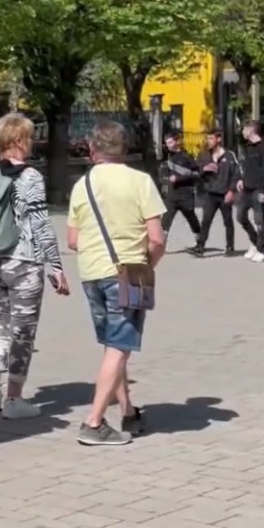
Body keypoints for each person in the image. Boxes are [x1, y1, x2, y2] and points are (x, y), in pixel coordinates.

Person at [66, 120, 163, 446]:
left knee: (112, 346)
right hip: (129, 270)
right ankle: (93, 422)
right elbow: (157, 239)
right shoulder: (140, 181)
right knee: (120, 347)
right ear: (124, 148)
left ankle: (128, 411)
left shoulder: (82, 185)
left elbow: (73, 240)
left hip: (91, 272)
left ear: (92, 149)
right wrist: (146, 265)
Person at [0, 113, 68, 420]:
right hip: (22, 262)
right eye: (29, 137)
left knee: (3, 321)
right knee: (23, 331)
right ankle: (14, 397)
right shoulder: (30, 177)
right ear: (17, 141)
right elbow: (41, 224)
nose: (32, 142)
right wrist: (56, 266)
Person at [193, 129, 237, 257]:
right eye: (207, 139)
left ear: (218, 139)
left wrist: (231, 191)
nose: (208, 141)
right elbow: (196, 169)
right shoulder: (204, 155)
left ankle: (230, 246)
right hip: (210, 193)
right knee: (206, 220)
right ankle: (200, 246)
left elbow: (236, 174)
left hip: (225, 194)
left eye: (211, 138)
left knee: (228, 221)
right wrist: (204, 169)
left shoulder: (229, 155)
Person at [158, 132, 202, 247]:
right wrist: (165, 178)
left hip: (185, 194)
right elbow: (165, 174)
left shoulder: (186, 156)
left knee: (191, 217)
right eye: (167, 143)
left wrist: (179, 178)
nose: (168, 145)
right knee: (166, 219)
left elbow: (197, 174)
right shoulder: (168, 157)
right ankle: (161, 244)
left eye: (171, 142)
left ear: (177, 142)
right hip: (172, 195)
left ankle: (199, 240)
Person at [236, 121, 264, 262]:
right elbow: (247, 167)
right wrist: (241, 180)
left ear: (251, 130)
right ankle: (255, 241)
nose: (242, 132)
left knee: (259, 220)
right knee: (240, 216)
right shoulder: (248, 147)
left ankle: (261, 250)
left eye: (244, 129)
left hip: (259, 189)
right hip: (246, 188)